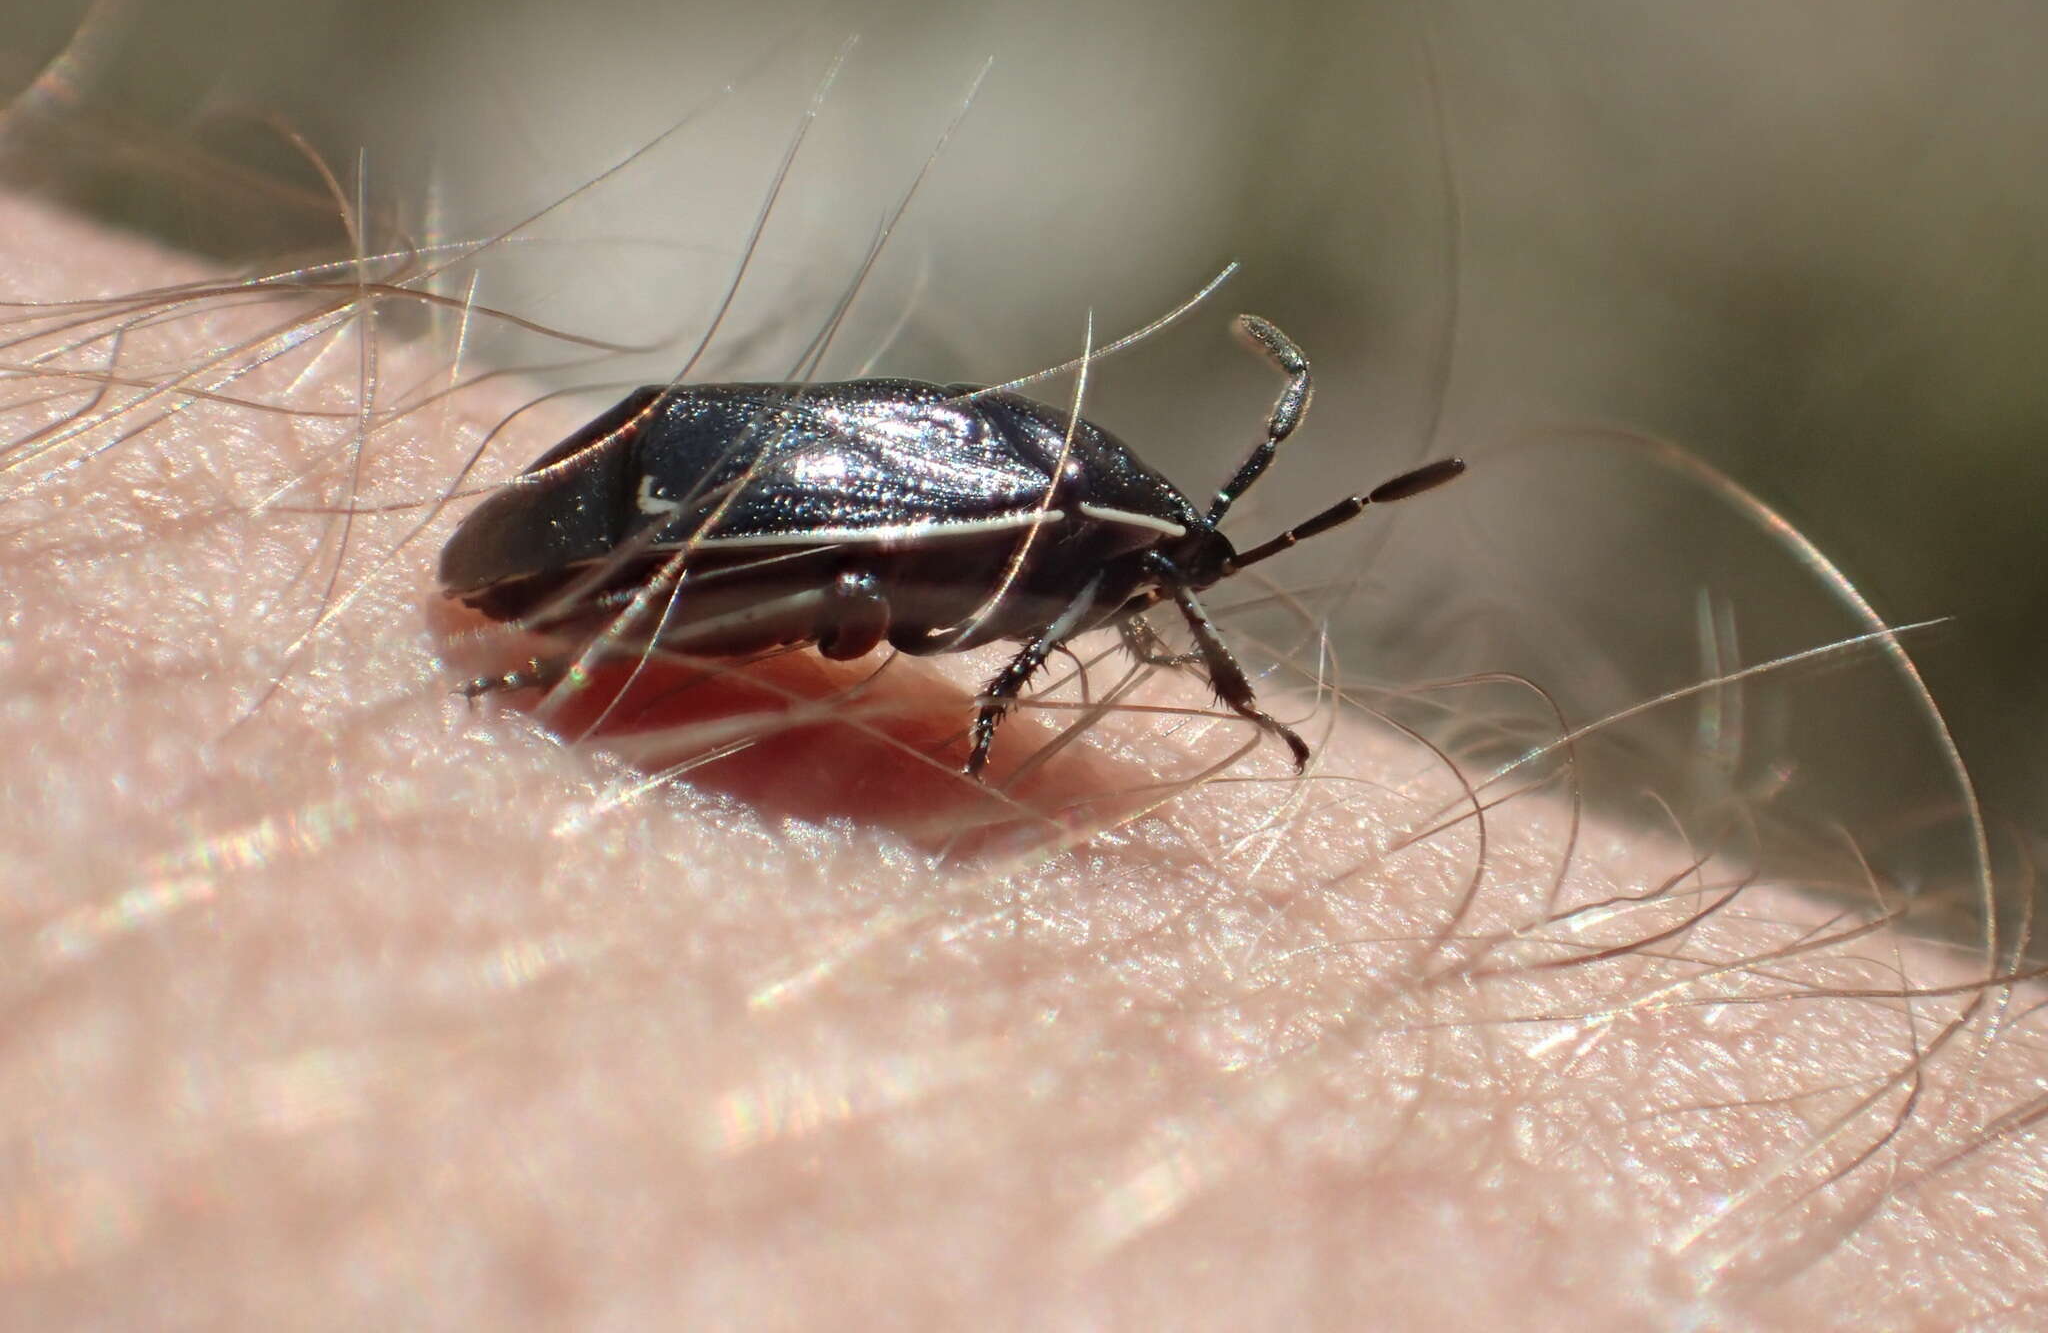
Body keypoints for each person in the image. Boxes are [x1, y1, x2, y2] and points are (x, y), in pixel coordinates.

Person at [3, 192, 2039, 1328]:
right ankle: (570, 654)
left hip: (712, 492)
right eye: (1203, 563)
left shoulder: (1086, 521)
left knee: (862, 593)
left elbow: (1106, 607)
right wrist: (1014, 717)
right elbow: (1015, 608)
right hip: (677, 523)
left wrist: (1099, 707)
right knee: (845, 585)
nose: (1182, 603)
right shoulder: (1061, 523)